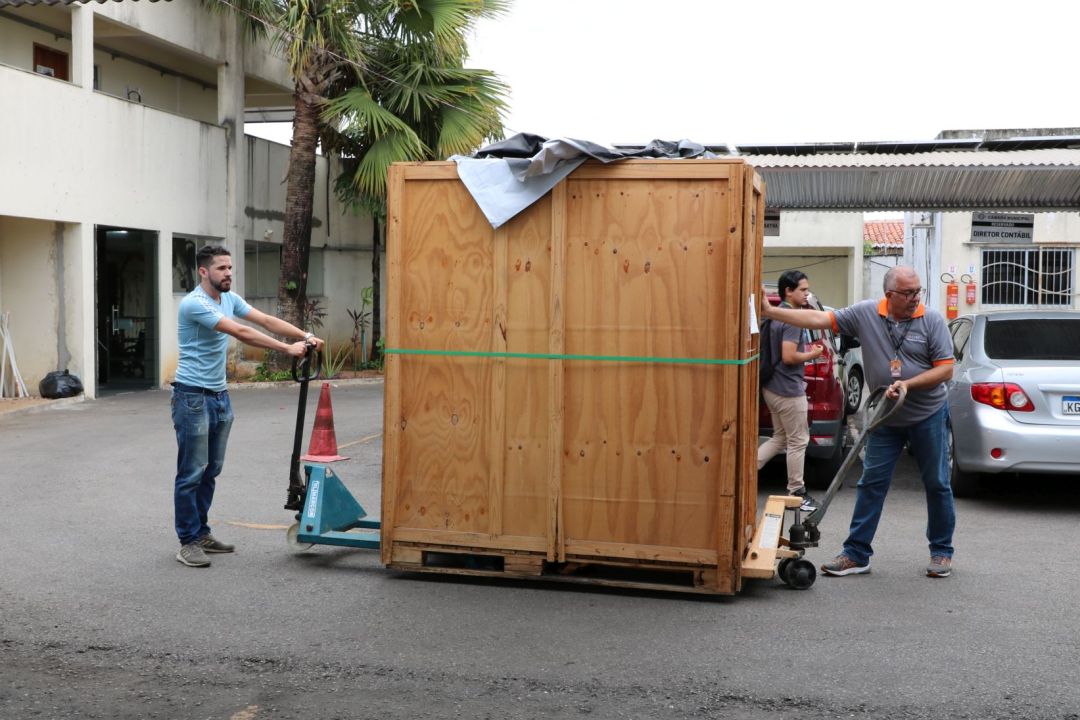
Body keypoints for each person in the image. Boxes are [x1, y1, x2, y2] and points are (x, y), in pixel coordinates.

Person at [759, 266, 956, 579]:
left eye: (918, 291)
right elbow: (819, 319)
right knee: (871, 484)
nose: (915, 298)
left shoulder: (930, 320)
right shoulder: (866, 313)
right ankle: (856, 554)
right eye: (908, 293)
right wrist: (774, 312)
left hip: (927, 413)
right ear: (889, 294)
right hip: (884, 416)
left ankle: (942, 552)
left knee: (937, 483)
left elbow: (946, 369)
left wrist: (909, 384)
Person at [172, 245, 323, 568]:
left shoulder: (229, 298)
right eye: (221, 268)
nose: (228, 273)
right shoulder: (194, 304)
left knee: (211, 470)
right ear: (203, 272)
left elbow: (265, 319)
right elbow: (241, 331)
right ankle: (188, 541)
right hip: (192, 397)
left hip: (218, 395)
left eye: (229, 267)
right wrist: (288, 349)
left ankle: (202, 532)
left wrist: (305, 334)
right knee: (191, 473)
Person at [757, 270, 824, 512]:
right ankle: (797, 492)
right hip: (788, 390)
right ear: (789, 291)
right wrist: (813, 354)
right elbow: (789, 356)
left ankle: (744, 472)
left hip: (771, 387)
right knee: (798, 440)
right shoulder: (793, 318)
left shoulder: (776, 316)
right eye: (803, 290)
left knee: (780, 438)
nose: (807, 294)